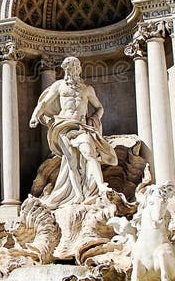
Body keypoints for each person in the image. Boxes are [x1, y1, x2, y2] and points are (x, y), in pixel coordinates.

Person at [29, 56, 117, 208]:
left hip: (81, 126)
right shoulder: (59, 86)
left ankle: (101, 186)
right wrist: (34, 116)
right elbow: (43, 103)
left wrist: (94, 118)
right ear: (65, 69)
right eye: (69, 68)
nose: (72, 71)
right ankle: (78, 194)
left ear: (78, 69)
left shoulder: (87, 89)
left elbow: (99, 108)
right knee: (71, 163)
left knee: (89, 154)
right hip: (63, 125)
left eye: (75, 68)